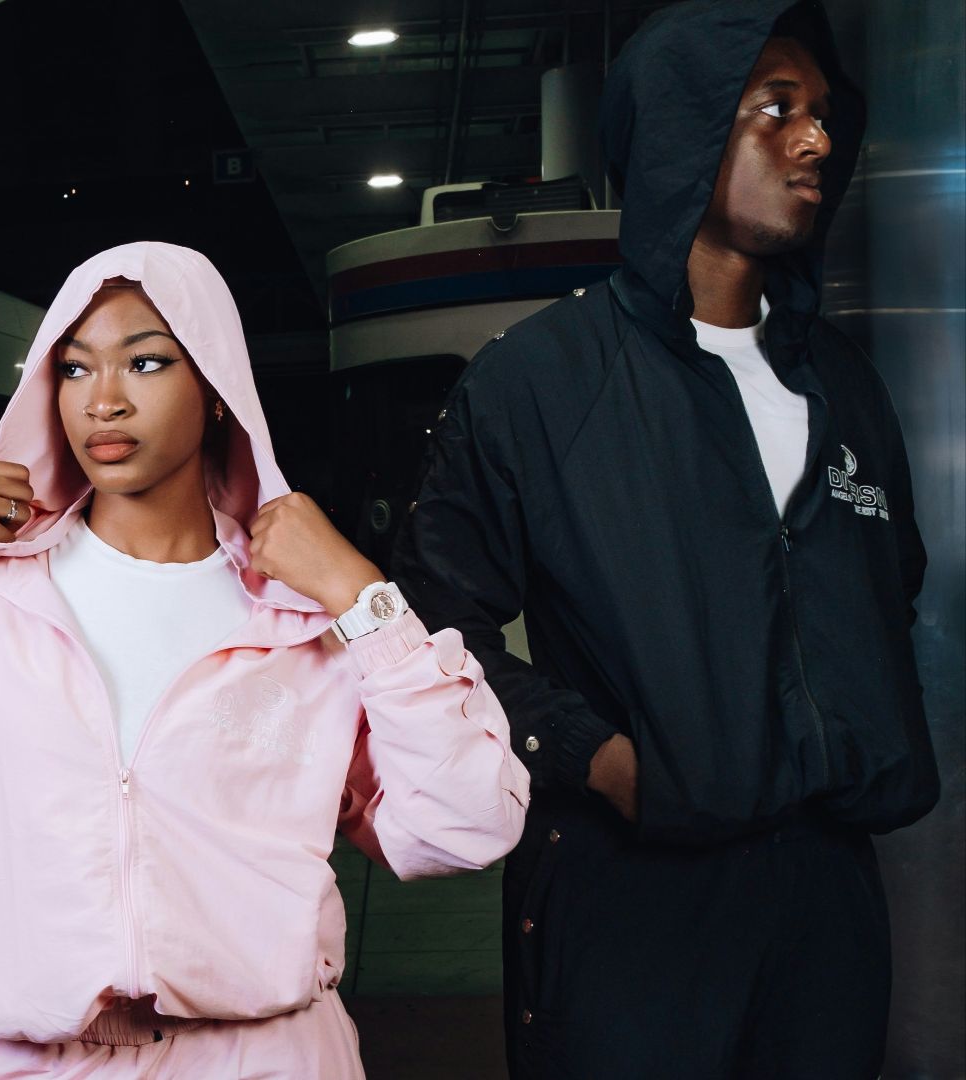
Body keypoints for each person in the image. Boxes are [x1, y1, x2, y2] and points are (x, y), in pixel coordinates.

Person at [0, 242, 529, 1076]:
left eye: (146, 362)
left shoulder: (301, 617)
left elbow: (463, 826)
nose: (103, 401)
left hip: (269, 1062)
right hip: (36, 1065)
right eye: (75, 369)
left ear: (215, 388)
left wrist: (365, 599)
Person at [391, 3, 936, 1077]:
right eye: (775, 108)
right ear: (685, 133)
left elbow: (891, 588)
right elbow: (431, 630)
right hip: (633, 902)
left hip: (828, 897)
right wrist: (595, 759)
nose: (816, 140)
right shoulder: (540, 382)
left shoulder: (846, 386)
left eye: (823, 114)